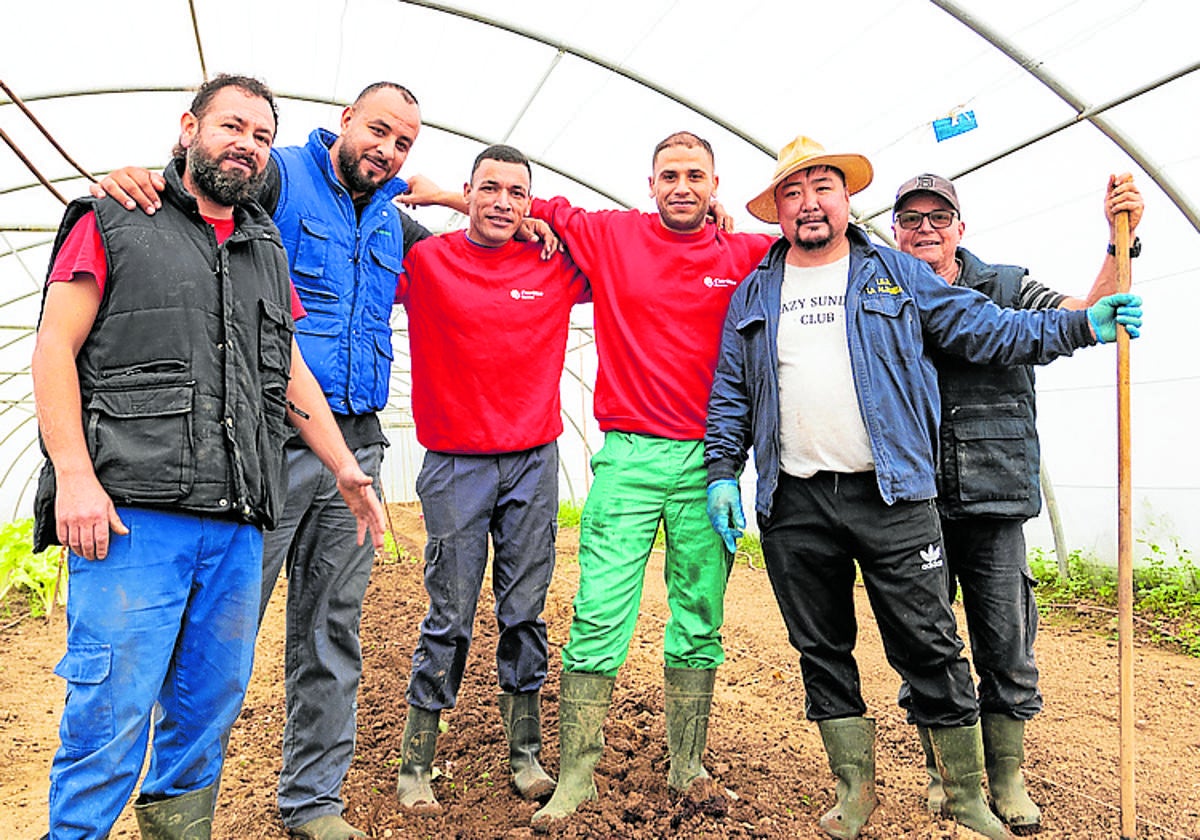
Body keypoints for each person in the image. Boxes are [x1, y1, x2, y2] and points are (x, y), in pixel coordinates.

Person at [703, 135, 1142, 840]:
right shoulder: (758, 288)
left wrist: (1081, 325)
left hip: (893, 493)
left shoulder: (896, 276)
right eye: (793, 192)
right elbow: (731, 389)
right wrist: (723, 470)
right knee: (821, 647)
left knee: (930, 646)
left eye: (823, 188)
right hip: (796, 500)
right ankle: (853, 791)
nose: (809, 203)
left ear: (847, 202)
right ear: (777, 211)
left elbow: (986, 327)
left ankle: (967, 796)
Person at [32, 74, 385, 840]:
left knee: (205, 713)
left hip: (235, 520)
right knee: (111, 712)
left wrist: (343, 464)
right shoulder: (112, 217)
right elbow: (54, 348)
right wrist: (76, 480)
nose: (247, 145)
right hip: (134, 517)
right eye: (232, 126)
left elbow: (287, 369)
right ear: (188, 127)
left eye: (262, 136)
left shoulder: (264, 244)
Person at [403, 130, 777, 826]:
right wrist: (447, 194)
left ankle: (687, 764)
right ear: (650, 183)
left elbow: (815, 253)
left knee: (699, 617)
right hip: (628, 456)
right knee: (597, 613)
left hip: (710, 461)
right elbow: (517, 207)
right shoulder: (610, 238)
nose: (683, 186)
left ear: (716, 184)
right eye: (669, 174)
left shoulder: (747, 253)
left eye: (696, 175)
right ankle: (574, 773)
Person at [890, 171, 1144, 834]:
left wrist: (1123, 241)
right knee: (927, 644)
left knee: (1007, 642)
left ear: (960, 228)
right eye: (911, 219)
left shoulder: (1004, 286)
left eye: (937, 218)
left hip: (995, 495)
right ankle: (948, 775)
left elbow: (1084, 311)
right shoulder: (882, 295)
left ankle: (1006, 778)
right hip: (911, 501)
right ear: (894, 231)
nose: (924, 229)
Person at [390, 143, 589, 814]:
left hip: (533, 460)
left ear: (531, 203)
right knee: (448, 612)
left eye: (517, 193)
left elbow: (620, 251)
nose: (503, 201)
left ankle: (525, 753)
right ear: (468, 191)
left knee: (524, 610)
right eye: (489, 189)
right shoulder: (427, 261)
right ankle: (418, 759)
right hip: (455, 463)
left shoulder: (550, 264)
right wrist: (440, 197)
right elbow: (358, 201)